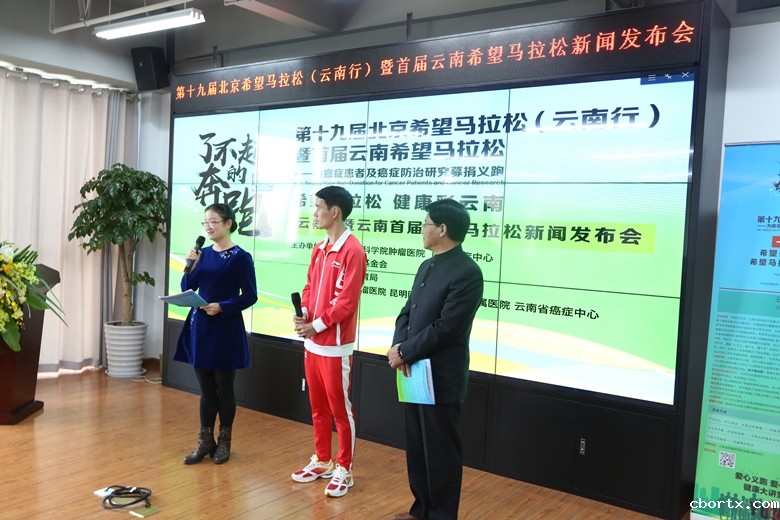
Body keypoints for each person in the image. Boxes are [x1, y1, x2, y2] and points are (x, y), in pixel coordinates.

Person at [387, 198, 484, 520]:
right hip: (413, 370)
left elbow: (446, 327)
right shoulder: (426, 265)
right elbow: (408, 311)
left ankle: (441, 515)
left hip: (440, 376)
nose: (422, 229)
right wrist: (398, 346)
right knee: (417, 446)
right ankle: (421, 510)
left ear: (442, 229)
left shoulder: (467, 271)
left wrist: (405, 351)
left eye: (426, 223)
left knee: (440, 452)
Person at [291, 186, 367, 498]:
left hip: (335, 347)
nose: (315, 213)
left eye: (318, 207)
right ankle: (322, 460)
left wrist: (316, 326)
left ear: (334, 212)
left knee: (341, 411)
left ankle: (344, 468)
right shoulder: (319, 248)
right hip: (312, 344)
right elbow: (310, 287)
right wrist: (304, 314)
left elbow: (346, 302)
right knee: (318, 407)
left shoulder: (353, 250)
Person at [174, 203, 258, 465]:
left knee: (224, 387)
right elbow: (188, 286)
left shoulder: (241, 257)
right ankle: (205, 440)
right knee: (206, 389)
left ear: (228, 224)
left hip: (225, 327)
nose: (208, 227)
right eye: (205, 222)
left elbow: (250, 296)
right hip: (200, 326)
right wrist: (190, 266)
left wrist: (222, 306)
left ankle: (224, 441)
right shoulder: (203, 254)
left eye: (213, 222)